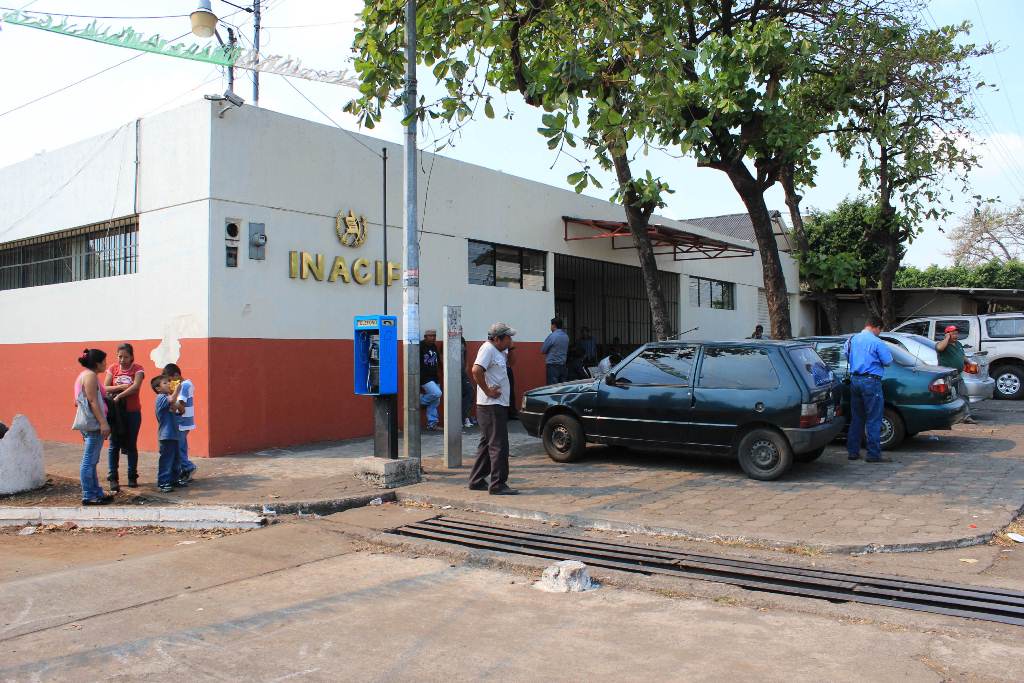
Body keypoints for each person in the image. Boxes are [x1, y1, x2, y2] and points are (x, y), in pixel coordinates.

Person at [469, 322, 519, 495]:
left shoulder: (499, 350)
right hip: (491, 406)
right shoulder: (487, 349)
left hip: (497, 404)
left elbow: (512, 363)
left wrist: (511, 348)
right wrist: (487, 390)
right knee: (499, 445)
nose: (510, 340)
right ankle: (498, 484)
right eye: (508, 337)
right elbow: (476, 371)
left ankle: (476, 480)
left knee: (486, 444)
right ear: (497, 338)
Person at [844, 316, 894, 463]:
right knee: (874, 418)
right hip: (871, 381)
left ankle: (853, 452)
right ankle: (873, 454)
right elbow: (888, 361)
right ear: (875, 327)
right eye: (880, 330)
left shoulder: (851, 339)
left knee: (857, 418)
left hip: (855, 380)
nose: (880, 333)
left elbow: (846, 355)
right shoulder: (876, 342)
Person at [74, 349, 113, 505]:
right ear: (97, 363)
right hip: (93, 424)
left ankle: (96, 491)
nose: (106, 364)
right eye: (104, 361)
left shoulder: (88, 375)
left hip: (93, 423)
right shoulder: (89, 376)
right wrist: (103, 422)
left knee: (92, 459)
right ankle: (89, 495)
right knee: (89, 460)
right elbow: (92, 401)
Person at [104, 343, 145, 491]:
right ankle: (113, 477)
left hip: (132, 412)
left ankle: (132, 476)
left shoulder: (138, 369)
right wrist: (120, 387)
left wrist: (120, 395)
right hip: (115, 412)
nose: (122, 360)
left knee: (131, 444)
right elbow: (105, 387)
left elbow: (135, 387)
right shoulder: (112, 369)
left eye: (126, 357)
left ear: (132, 356)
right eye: (120, 356)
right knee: (114, 444)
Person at [164, 363, 199, 481]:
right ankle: (184, 470)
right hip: (183, 420)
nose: (169, 383)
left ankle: (189, 467)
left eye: (170, 379)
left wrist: (171, 403)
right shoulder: (186, 384)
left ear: (176, 375)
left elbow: (181, 404)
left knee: (179, 448)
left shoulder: (184, 385)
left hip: (182, 420)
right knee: (181, 446)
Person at [936, 324, 975, 424]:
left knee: (964, 395)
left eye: (956, 333)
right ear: (947, 334)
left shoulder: (958, 344)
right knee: (947, 397)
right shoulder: (942, 344)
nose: (955, 335)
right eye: (953, 334)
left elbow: (961, 356)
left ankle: (966, 417)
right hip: (947, 376)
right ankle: (944, 418)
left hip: (958, 374)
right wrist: (947, 338)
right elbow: (939, 348)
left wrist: (969, 363)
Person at [151, 375, 182, 493]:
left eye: (169, 382)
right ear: (158, 388)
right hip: (166, 434)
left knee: (175, 458)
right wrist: (177, 390)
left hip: (174, 434)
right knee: (166, 459)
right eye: (165, 383)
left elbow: (180, 409)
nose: (169, 384)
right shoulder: (161, 397)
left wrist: (177, 404)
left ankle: (174, 479)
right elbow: (171, 400)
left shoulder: (170, 397)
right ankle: (163, 482)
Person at [419, 329, 442, 431]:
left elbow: (438, 359)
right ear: (425, 336)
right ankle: (420, 401)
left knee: (435, 401)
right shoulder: (420, 346)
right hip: (424, 377)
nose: (433, 338)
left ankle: (432, 423)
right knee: (437, 393)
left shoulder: (434, 346)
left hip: (434, 376)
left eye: (434, 336)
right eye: (431, 336)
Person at [541, 317, 570, 384]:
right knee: (562, 387)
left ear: (554, 325)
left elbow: (543, 350)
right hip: (563, 365)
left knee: (552, 387)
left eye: (551, 325)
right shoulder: (566, 336)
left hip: (553, 366)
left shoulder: (552, 336)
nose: (550, 327)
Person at [460, 337, 476, 429]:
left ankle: (465, 417)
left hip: (463, 372)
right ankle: (462, 419)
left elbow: (465, 354)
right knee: (456, 396)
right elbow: (442, 355)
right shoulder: (448, 339)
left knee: (470, 392)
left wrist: (467, 365)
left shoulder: (462, 340)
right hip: (453, 374)